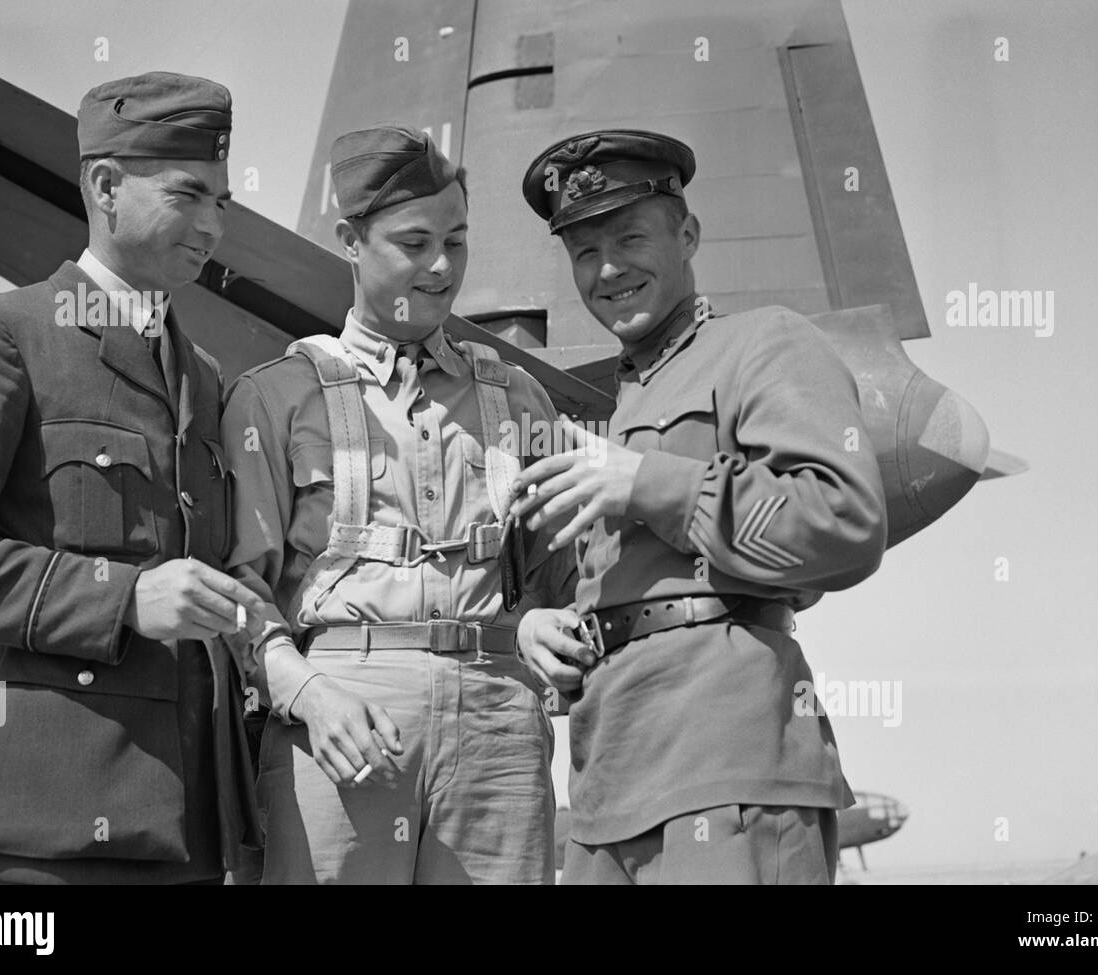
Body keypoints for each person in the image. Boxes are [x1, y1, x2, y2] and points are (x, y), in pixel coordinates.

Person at [0, 71, 265, 884]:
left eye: (223, 202)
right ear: (105, 185)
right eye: (188, 195)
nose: (212, 225)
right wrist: (123, 596)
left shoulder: (202, 376)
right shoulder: (0, 332)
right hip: (47, 833)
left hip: (191, 829)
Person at [512, 129, 888, 884]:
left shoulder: (765, 343)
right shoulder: (613, 409)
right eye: (584, 252)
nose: (608, 269)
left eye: (630, 236)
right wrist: (537, 622)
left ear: (687, 234)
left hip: (729, 768)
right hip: (605, 784)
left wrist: (649, 483)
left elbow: (846, 520)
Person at [220, 125, 575, 884]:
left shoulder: (518, 396)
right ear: (351, 240)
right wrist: (307, 692)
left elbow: (557, 576)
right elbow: (241, 586)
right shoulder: (273, 397)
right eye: (414, 243)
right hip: (342, 720)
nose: (442, 266)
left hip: (498, 724)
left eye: (456, 239)